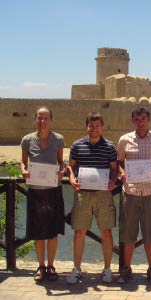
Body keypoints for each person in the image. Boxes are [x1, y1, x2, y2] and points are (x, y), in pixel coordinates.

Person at [117, 106, 151, 284]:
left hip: (150, 192)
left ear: (149, 120)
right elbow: (119, 161)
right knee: (128, 233)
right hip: (130, 192)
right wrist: (122, 173)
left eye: (143, 119)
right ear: (133, 121)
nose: (140, 123)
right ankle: (126, 269)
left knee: (150, 232)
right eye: (137, 120)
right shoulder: (124, 140)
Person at [66, 112, 118, 284]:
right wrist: (72, 178)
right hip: (83, 194)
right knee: (79, 231)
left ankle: (108, 269)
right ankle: (77, 268)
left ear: (102, 126)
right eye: (91, 125)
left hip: (103, 194)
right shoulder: (77, 145)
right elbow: (70, 166)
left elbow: (114, 168)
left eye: (97, 126)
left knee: (106, 231)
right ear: (86, 126)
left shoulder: (109, 146)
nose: (94, 129)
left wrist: (113, 180)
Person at [20, 107, 65, 281]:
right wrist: (24, 171)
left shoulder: (58, 139)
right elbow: (23, 163)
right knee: (37, 231)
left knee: (52, 230)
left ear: (51, 120)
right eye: (39, 118)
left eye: (45, 118)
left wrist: (62, 171)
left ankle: (51, 265)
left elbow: (61, 162)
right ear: (35, 119)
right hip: (35, 191)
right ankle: (40, 266)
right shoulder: (27, 140)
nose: (42, 121)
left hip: (53, 190)